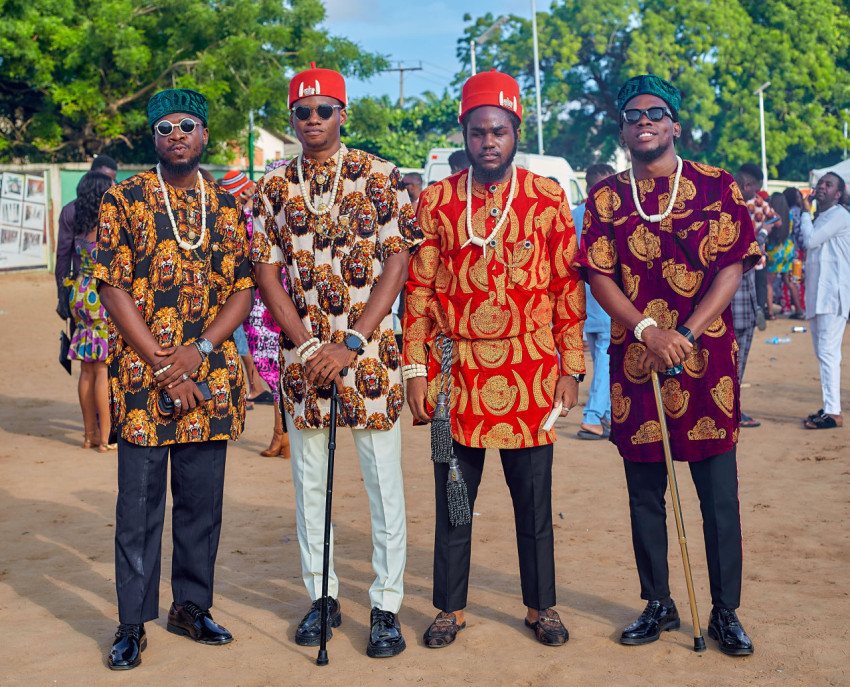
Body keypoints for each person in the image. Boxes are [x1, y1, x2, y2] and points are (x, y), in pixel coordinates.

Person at [576, 74, 759, 656]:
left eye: (655, 112)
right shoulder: (606, 199)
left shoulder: (715, 186)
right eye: (632, 115)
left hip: (707, 366)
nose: (644, 121)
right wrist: (647, 330)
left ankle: (725, 611)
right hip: (637, 367)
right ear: (623, 129)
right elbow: (598, 273)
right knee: (644, 495)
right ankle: (658, 602)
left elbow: (732, 264)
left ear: (675, 124)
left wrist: (685, 331)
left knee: (718, 498)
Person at [404, 70, 586, 649]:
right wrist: (416, 369)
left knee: (534, 503)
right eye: (478, 131)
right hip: (453, 374)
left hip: (532, 370)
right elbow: (419, 291)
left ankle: (542, 607)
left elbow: (566, 286)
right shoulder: (435, 199)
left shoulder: (547, 196)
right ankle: (448, 609)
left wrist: (571, 364)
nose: (488, 142)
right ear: (464, 133)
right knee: (454, 499)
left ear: (516, 133)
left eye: (499, 131)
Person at [251, 64, 422, 658]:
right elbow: (266, 271)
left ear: (343, 115)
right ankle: (321, 598)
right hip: (304, 361)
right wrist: (304, 345)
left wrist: (349, 342)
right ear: (292, 118)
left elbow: (397, 263)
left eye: (325, 110)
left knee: (383, 487)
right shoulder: (272, 187)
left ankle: (386, 606)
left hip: (367, 356)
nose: (314, 120)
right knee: (308, 485)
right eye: (303, 112)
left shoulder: (380, 175)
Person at [93, 88, 254, 670]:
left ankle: (191, 606)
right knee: (137, 508)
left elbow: (243, 286)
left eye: (187, 124)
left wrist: (202, 348)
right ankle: (132, 621)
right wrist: (165, 364)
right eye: (164, 128)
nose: (176, 134)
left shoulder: (229, 205)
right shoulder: (126, 198)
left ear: (205, 133)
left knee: (201, 506)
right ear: (152, 139)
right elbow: (111, 285)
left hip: (209, 375)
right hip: (143, 377)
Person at [66, 171, 115, 450]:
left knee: (86, 369)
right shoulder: (106, 223)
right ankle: (106, 437)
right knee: (102, 370)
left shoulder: (80, 223)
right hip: (100, 293)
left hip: (80, 291)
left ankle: (89, 435)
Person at [799, 171, 850, 430]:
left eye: (828, 185)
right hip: (818, 295)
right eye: (820, 183)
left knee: (828, 353)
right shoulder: (823, 217)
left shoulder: (840, 215)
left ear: (838, 194)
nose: (821, 187)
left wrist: (805, 212)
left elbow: (809, 241)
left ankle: (833, 411)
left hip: (832, 295)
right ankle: (830, 406)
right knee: (823, 353)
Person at [730, 162, 778, 428]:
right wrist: (762, 233)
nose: (754, 197)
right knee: (733, 365)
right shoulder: (733, 209)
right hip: (735, 303)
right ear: (747, 185)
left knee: (732, 365)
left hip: (741, 302)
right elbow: (748, 250)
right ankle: (732, 412)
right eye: (754, 191)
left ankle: (732, 410)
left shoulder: (728, 205)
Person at [572, 163, 616, 439]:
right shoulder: (609, 216)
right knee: (606, 356)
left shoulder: (573, 214)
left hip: (582, 298)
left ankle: (608, 413)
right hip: (604, 296)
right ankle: (592, 415)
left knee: (603, 355)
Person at [219, 169, 267, 409]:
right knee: (239, 339)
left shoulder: (246, 213)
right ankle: (252, 387)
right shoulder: (238, 212)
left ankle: (254, 387)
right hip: (237, 287)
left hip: (242, 288)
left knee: (240, 339)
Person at [55, 155, 118, 297]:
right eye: (106, 179)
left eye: (113, 180)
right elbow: (63, 257)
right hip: (86, 290)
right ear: (91, 177)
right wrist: (62, 294)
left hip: (107, 293)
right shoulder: (71, 212)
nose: (110, 183)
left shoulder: (117, 210)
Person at [765, 192, 803, 319]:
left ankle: (770, 312)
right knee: (789, 281)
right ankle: (799, 310)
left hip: (774, 250)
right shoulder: (790, 216)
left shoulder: (773, 217)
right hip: (788, 249)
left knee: (768, 282)